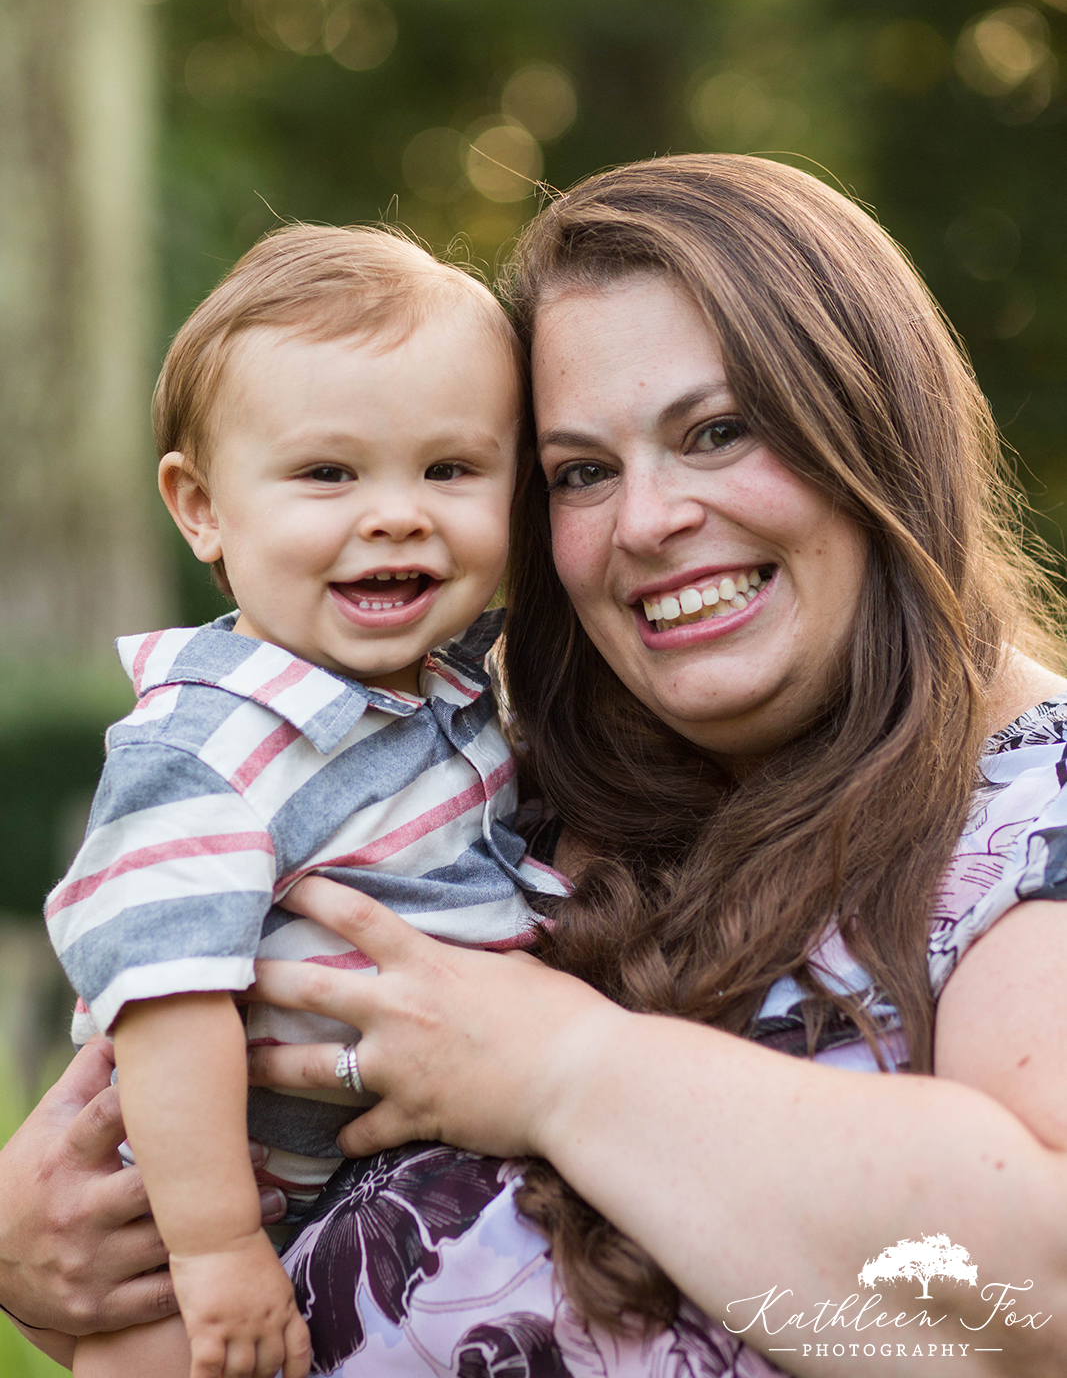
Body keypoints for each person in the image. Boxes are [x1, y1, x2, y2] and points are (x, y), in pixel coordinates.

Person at [2, 154, 1066, 1376]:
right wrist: (39, 1252)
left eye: (717, 432)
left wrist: (563, 1067)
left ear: (877, 425)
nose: (647, 519)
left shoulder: (1026, 809)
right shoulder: (482, 779)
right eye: (580, 472)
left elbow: (1029, 1296)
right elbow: (145, 1119)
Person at [40, 224, 564, 1378]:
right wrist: (219, 1246)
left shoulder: (450, 689)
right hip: (206, 1211)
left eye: (449, 469)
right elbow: (167, 1011)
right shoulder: (209, 746)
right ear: (202, 507)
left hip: (380, 1183)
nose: (395, 513)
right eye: (328, 472)